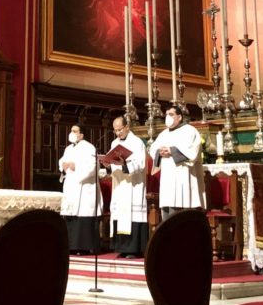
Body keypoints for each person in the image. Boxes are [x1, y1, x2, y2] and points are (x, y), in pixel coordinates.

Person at [104, 116, 148, 258]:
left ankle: (134, 249)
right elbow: (112, 163)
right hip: (120, 185)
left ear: (127, 127)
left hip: (132, 186)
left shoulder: (137, 142)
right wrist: (107, 165)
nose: (118, 133)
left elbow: (141, 164)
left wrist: (124, 164)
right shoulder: (114, 143)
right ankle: (121, 248)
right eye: (115, 130)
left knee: (131, 215)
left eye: (120, 129)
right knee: (119, 215)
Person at [150, 107, 205, 219]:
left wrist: (171, 151)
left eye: (171, 114)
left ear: (179, 117)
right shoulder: (163, 134)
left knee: (181, 215)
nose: (167, 117)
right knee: (167, 212)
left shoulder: (190, 131)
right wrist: (159, 152)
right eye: (166, 114)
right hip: (167, 180)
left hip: (183, 177)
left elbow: (192, 152)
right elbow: (153, 149)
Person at [58, 124, 102, 254]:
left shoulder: (89, 148)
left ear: (81, 135)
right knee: (70, 216)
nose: (71, 133)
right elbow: (62, 162)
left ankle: (83, 247)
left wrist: (76, 167)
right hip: (71, 187)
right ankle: (71, 246)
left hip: (84, 188)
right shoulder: (68, 148)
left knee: (83, 216)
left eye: (74, 131)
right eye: (71, 130)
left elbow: (93, 167)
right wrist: (63, 166)